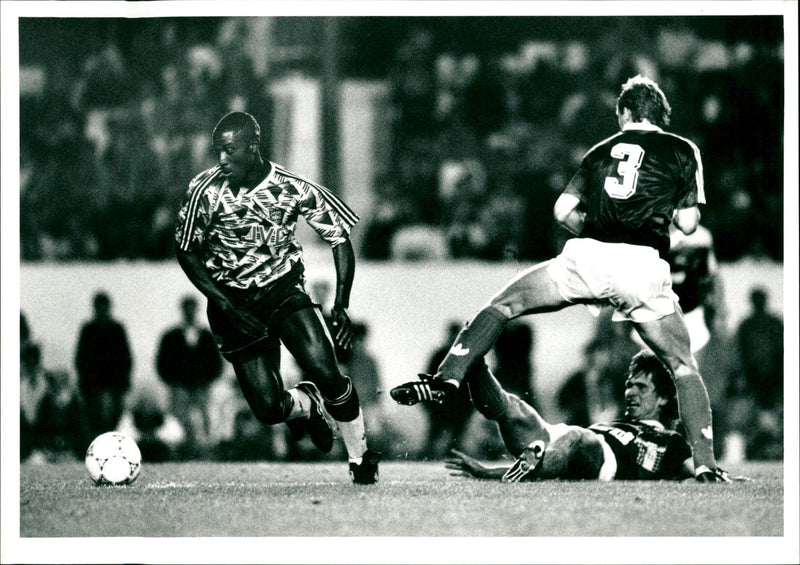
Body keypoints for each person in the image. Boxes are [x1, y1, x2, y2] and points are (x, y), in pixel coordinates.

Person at [392, 75, 729, 482]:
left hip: (587, 254)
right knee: (683, 366)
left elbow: (561, 211)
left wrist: (594, 228)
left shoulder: (600, 151)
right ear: (662, 115)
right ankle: (707, 466)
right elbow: (690, 224)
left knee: (501, 306)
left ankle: (448, 376)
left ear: (623, 113)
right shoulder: (681, 149)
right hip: (642, 263)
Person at [174, 111, 379, 484]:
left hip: (282, 290)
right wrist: (223, 303)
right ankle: (307, 406)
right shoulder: (204, 190)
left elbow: (339, 239)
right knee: (268, 409)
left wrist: (341, 305)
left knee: (326, 370)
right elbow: (186, 250)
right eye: (218, 151)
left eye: (229, 151)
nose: (221, 160)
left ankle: (361, 459)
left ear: (253, 148)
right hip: (231, 302)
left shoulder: (291, 186)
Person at [445, 351, 696, 482]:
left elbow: (701, 472)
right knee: (516, 409)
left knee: (578, 436)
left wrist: (724, 478)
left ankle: (526, 468)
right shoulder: (619, 423)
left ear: (663, 397)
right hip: (563, 444)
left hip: (599, 460)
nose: (630, 392)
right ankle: (474, 361)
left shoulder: (671, 441)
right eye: (630, 385)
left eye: (641, 387)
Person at [156, 295, 223, 456]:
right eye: (187, 310)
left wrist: (207, 381)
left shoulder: (207, 336)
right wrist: (173, 382)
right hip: (179, 387)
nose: (189, 313)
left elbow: (216, 363)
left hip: (202, 386)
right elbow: (162, 362)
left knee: (205, 420)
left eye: (192, 309)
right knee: (178, 421)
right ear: (182, 311)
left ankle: (206, 452)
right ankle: (179, 450)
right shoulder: (171, 336)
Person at [75, 291, 133, 439]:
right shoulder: (88, 330)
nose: (102, 310)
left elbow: (125, 358)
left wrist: (123, 381)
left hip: (114, 384)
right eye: (99, 306)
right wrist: (85, 382)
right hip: (93, 384)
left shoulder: (117, 329)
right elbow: (81, 358)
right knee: (94, 419)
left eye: (104, 306)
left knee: (114, 420)